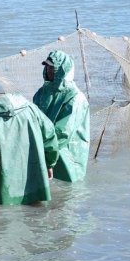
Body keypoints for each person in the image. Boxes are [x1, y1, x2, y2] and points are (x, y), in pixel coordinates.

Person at [0, 78, 59, 205]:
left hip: (6, 184)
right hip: (34, 177)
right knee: (35, 211)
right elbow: (50, 135)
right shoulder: (31, 108)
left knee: (7, 213)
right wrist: (50, 163)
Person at [33, 50, 90, 182]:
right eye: (46, 66)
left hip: (66, 154)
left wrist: (48, 158)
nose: (48, 70)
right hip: (45, 151)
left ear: (62, 69)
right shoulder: (42, 93)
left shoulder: (75, 98)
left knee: (67, 193)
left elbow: (63, 132)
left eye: (52, 67)